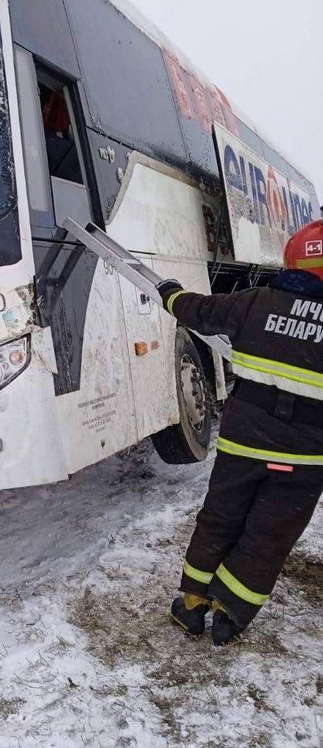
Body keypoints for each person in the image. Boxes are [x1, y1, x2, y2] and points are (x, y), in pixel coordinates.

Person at [157, 220, 323, 645]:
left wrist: (171, 293)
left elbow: (199, 311)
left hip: (242, 444)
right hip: (305, 460)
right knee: (269, 535)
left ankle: (191, 603)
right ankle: (230, 612)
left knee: (220, 517)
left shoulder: (256, 303)